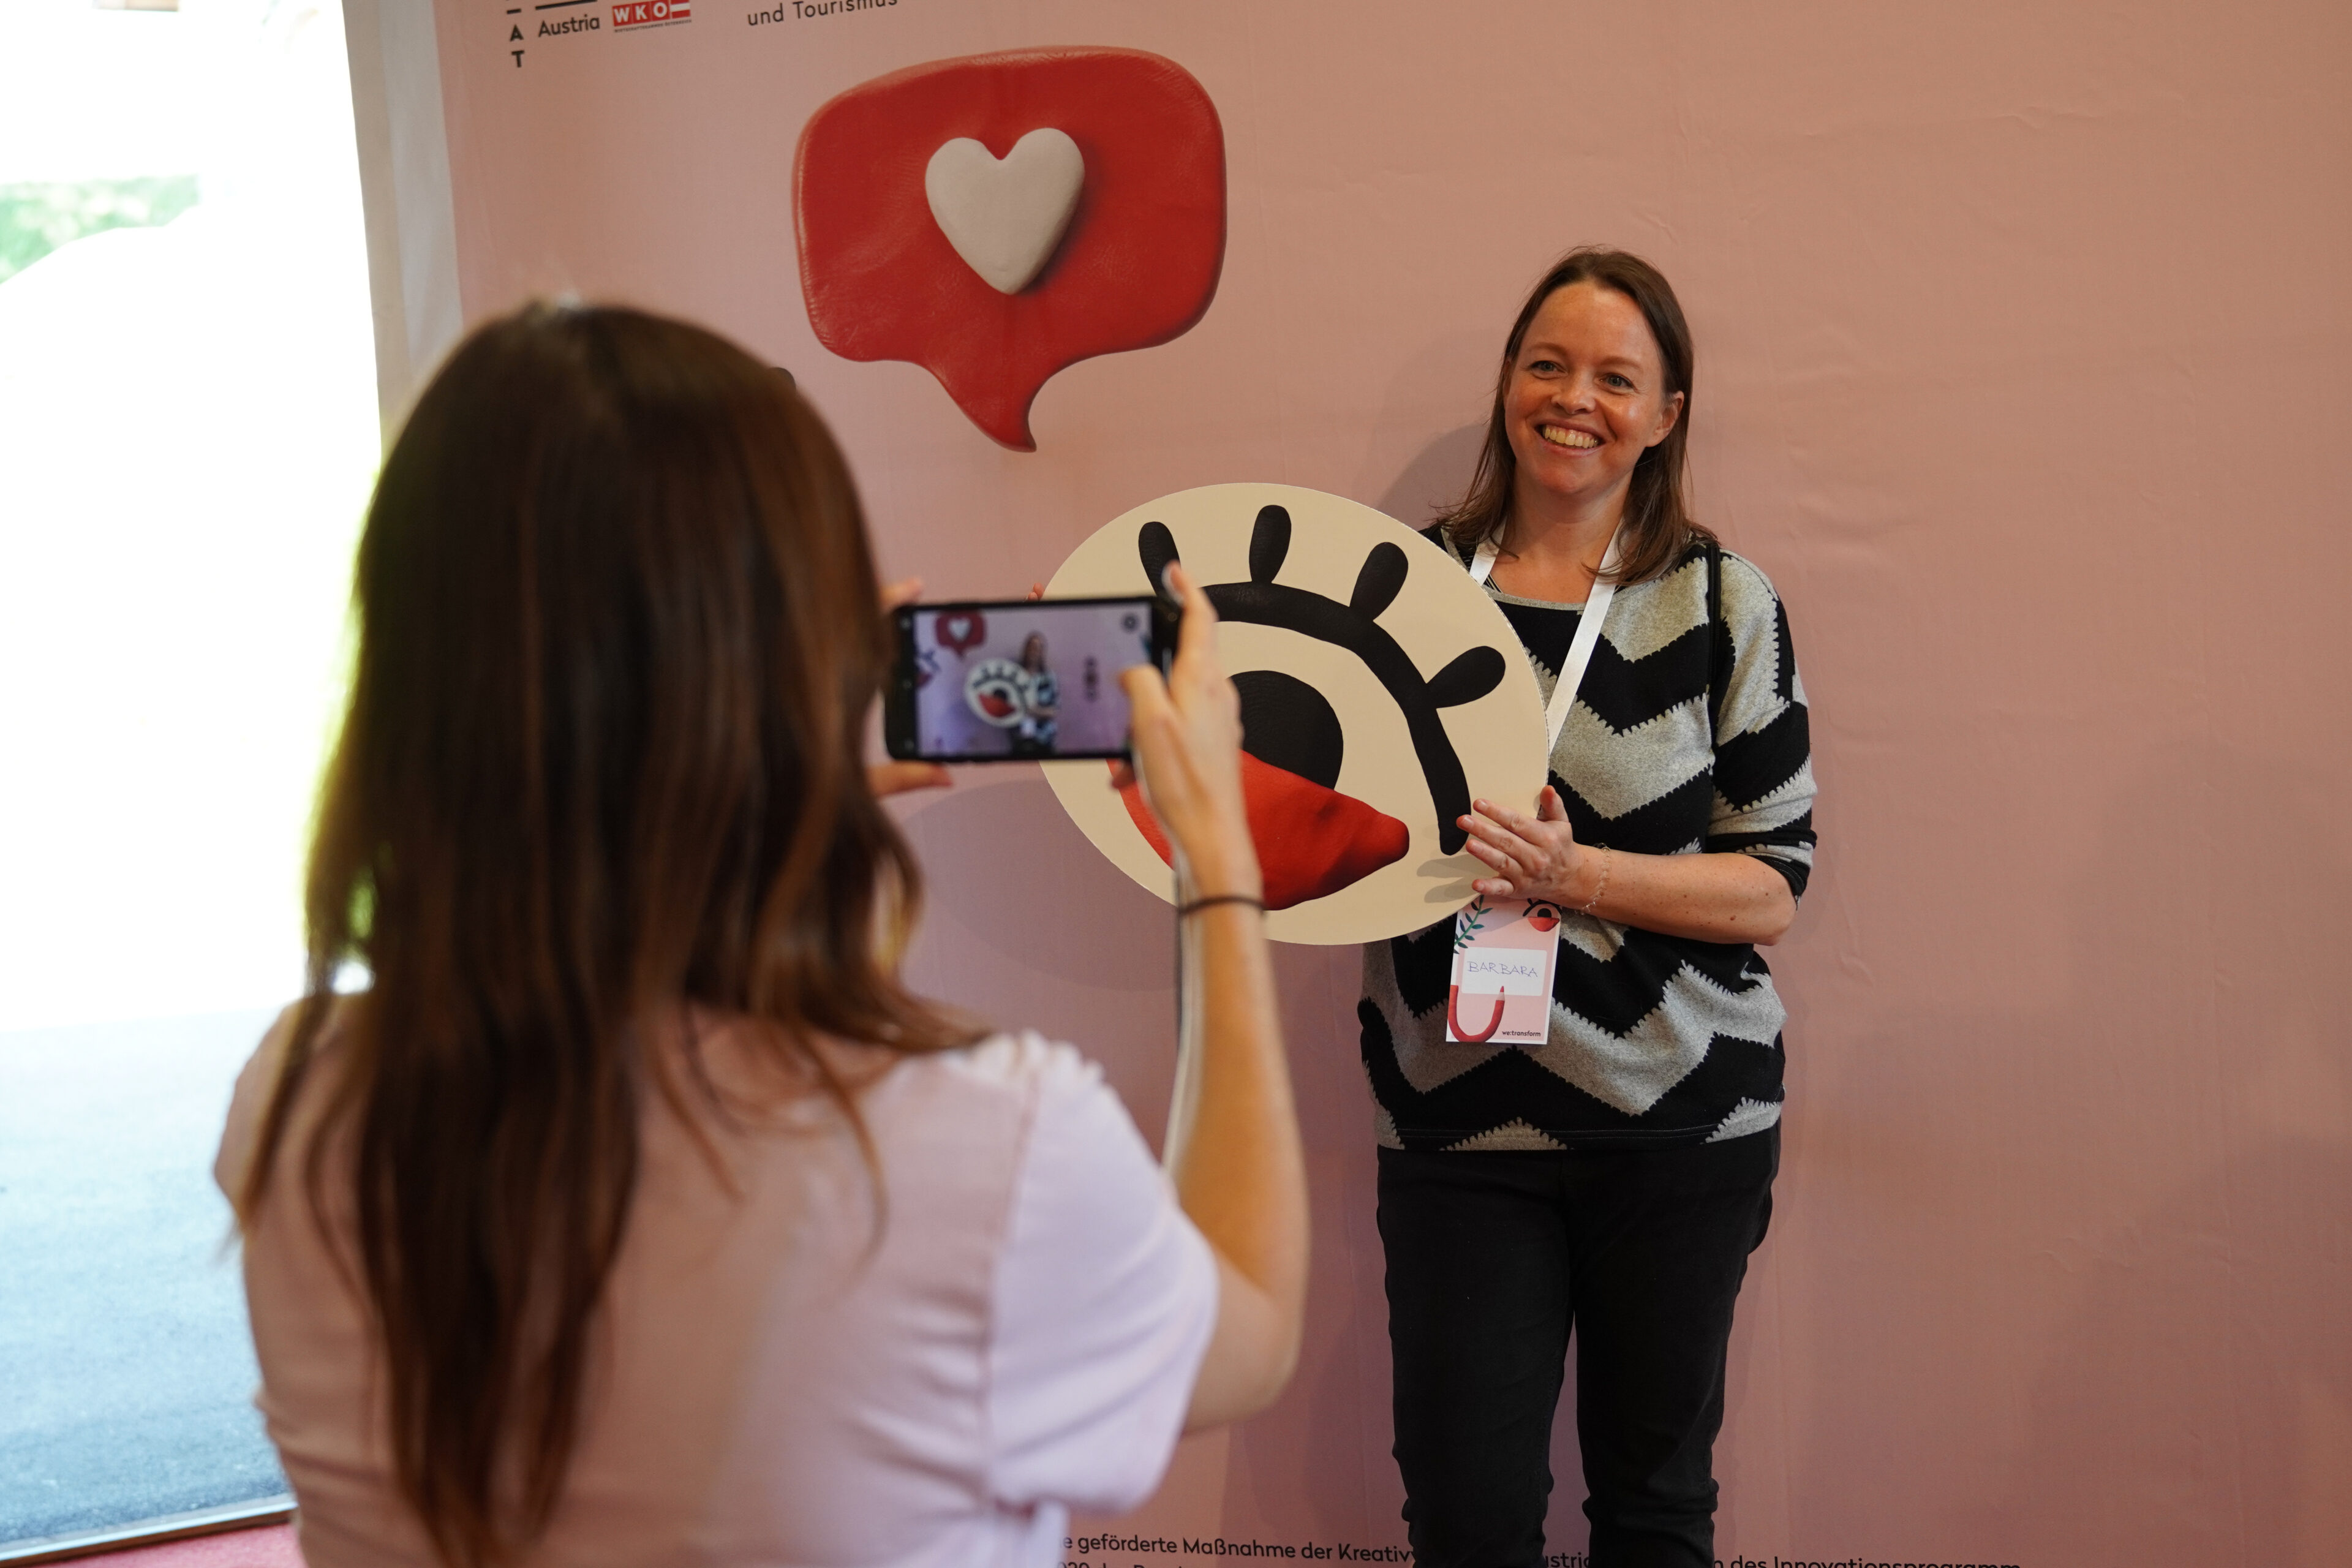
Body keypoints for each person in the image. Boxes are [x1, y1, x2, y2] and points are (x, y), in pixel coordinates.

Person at [214, 303, 1306, 1568]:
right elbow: (1248, 1325)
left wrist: (759, 831)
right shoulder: (984, 1142)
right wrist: (1219, 864)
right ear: (804, 659)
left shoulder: (297, 1099)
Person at [1361, 249, 1817, 1567]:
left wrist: (1579, 877)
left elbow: (1771, 883)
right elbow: (1312, 813)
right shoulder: (1403, 587)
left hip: (1681, 1121)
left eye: (1617, 378)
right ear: (1508, 380)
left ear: (1667, 414)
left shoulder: (1723, 601)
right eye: (1547, 364)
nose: (1575, 399)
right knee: (1467, 1522)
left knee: (1655, 1514)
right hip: (1457, 1123)